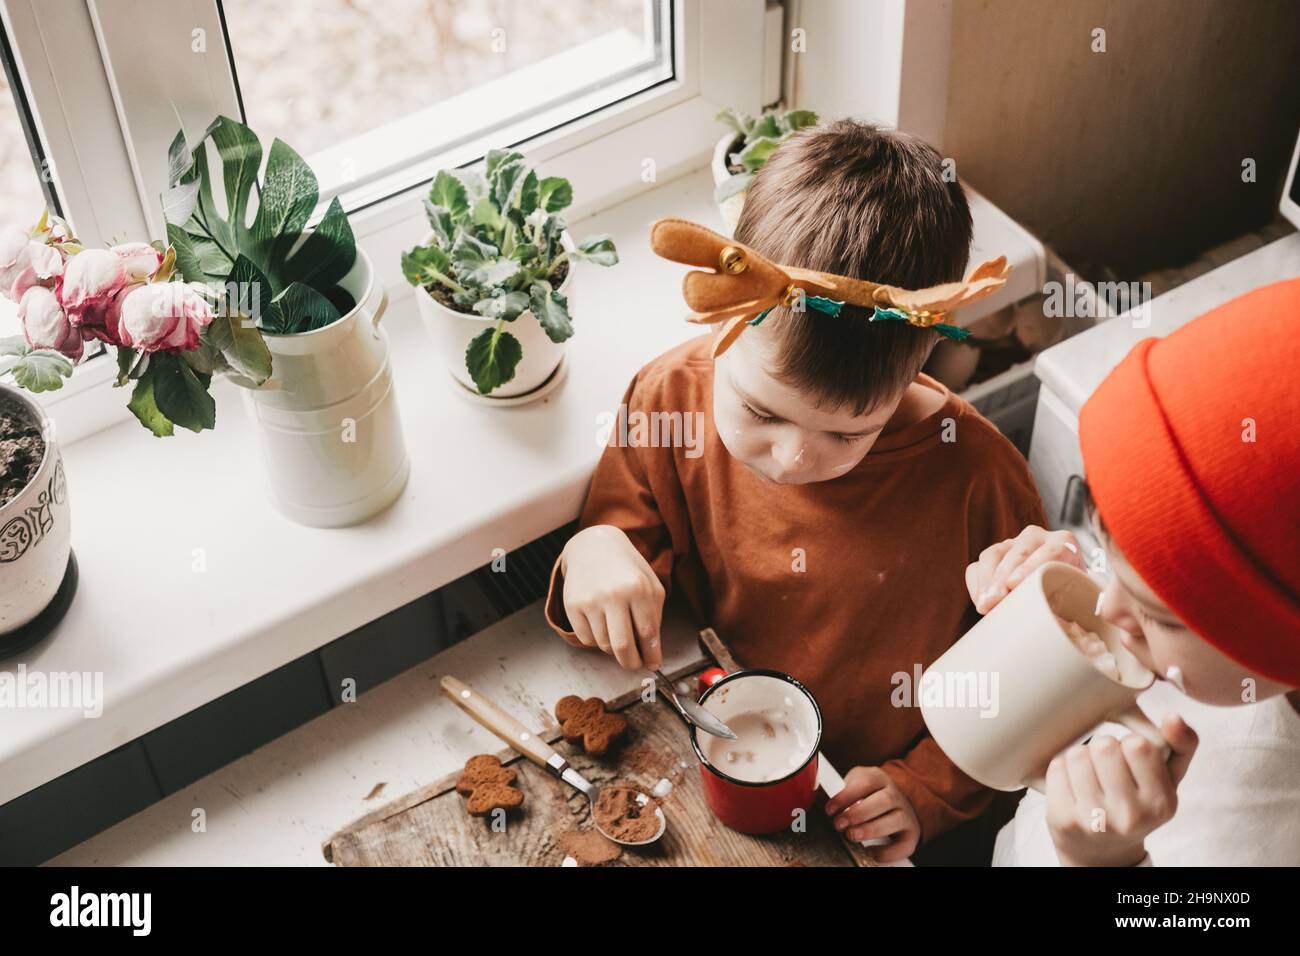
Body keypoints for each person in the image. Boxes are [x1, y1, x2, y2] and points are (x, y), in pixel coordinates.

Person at [543, 120, 1046, 861]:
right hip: (719, 759)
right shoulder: (671, 398)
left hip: (874, 811)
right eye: (760, 411)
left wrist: (927, 787)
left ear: (919, 364)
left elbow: (1018, 687)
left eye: (847, 435)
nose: (792, 456)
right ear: (722, 317)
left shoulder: (979, 481)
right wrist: (594, 548)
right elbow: (629, 534)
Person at [966, 278, 1300, 865]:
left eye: (1157, 615)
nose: (1108, 607)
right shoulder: (1214, 655)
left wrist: (1110, 863)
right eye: (1113, 561)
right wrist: (1048, 616)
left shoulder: (1270, 817)